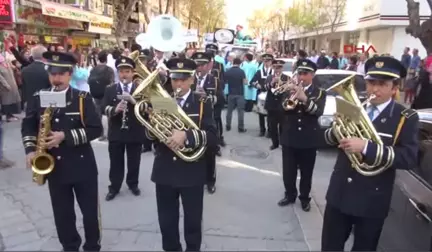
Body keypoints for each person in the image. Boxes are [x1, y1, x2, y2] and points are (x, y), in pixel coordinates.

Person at [321, 57, 419, 251]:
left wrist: (367, 147)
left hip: (371, 200)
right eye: (371, 82)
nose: (375, 89)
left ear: (394, 88)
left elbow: (408, 157)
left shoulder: (405, 117)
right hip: (339, 194)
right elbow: (326, 139)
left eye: (382, 84)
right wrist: (336, 129)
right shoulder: (355, 107)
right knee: (329, 247)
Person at [21, 51, 102, 251]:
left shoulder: (82, 98)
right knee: (63, 214)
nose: (56, 78)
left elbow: (96, 129)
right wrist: (31, 150)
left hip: (83, 166)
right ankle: (69, 246)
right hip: (55, 167)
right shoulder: (38, 97)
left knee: (90, 213)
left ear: (70, 74)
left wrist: (65, 136)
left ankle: (92, 246)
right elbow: (29, 126)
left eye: (61, 74)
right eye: (52, 73)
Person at [146, 57, 217, 252]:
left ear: (192, 80)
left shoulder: (202, 103)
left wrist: (186, 135)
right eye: (175, 79)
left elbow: (212, 137)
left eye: (183, 79)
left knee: (193, 222)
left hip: (192, 171)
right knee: (167, 223)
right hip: (165, 171)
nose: (179, 84)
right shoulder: (163, 101)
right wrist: (152, 124)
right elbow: (151, 137)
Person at [278, 59, 326, 211]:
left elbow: (317, 112)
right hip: (290, 137)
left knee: (306, 173)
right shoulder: (289, 89)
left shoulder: (319, 93)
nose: (302, 77)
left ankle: (304, 198)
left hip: (308, 140)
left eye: (305, 74)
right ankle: (290, 194)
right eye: (299, 73)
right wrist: (291, 95)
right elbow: (284, 109)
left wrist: (304, 98)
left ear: (312, 75)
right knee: (288, 171)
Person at [102, 56, 146, 201]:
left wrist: (134, 102)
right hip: (116, 131)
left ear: (133, 72)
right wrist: (115, 110)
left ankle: (133, 184)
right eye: (121, 72)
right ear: (118, 73)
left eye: (127, 71)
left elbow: (148, 108)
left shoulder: (140, 89)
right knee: (115, 161)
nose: (124, 75)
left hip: (135, 131)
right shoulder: (110, 89)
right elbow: (103, 108)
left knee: (134, 161)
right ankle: (114, 187)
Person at [190, 51, 219, 194]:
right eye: (197, 65)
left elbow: (218, 100)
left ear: (208, 66)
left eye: (202, 65)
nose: (199, 68)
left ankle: (210, 181)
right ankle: (196, 178)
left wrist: (206, 96)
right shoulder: (188, 79)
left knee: (209, 152)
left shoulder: (213, 79)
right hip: (191, 118)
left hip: (207, 119)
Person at [264, 59, 288, 150]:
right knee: (272, 127)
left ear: (282, 68)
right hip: (271, 106)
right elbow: (265, 88)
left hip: (282, 106)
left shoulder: (287, 78)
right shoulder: (270, 77)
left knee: (283, 126)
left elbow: (289, 91)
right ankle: (275, 143)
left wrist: (282, 85)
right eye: (275, 67)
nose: (277, 70)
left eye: (279, 67)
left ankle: (282, 143)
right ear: (272, 67)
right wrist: (272, 83)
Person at [250, 53, 273, 137]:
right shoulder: (259, 72)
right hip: (261, 94)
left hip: (271, 95)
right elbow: (252, 81)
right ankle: (262, 130)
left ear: (271, 62)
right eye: (265, 61)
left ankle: (270, 131)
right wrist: (257, 85)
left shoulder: (273, 72)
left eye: (268, 61)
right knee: (261, 114)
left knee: (270, 114)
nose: (266, 63)